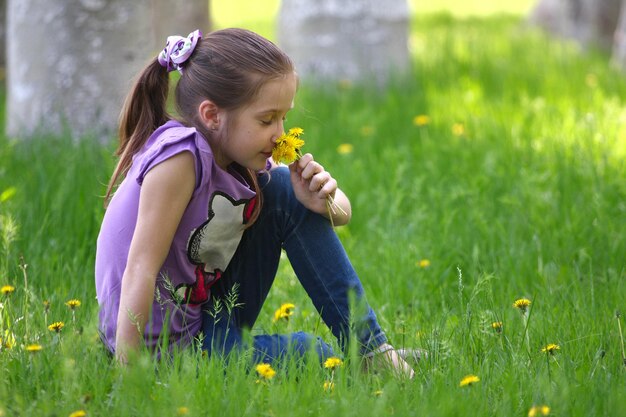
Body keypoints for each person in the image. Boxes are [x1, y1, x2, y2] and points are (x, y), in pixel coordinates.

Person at [95, 27, 414, 377]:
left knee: (283, 188)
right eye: (266, 119)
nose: (279, 133)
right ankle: (361, 360)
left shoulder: (239, 153)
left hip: (200, 315)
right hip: (161, 349)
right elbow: (139, 268)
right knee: (313, 355)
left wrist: (323, 197)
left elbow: (342, 216)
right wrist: (132, 375)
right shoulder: (179, 158)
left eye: (283, 117)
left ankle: (371, 349)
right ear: (212, 115)